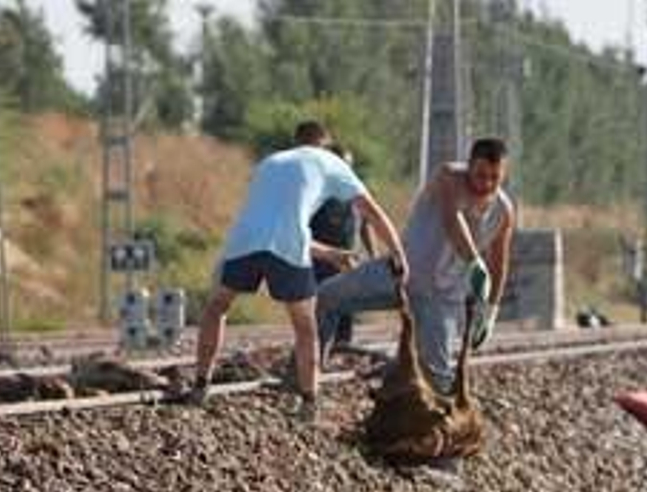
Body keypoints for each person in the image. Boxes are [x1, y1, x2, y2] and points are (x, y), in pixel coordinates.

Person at [185, 120, 407, 420]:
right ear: (325, 144)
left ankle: (200, 385)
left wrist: (330, 254)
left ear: (298, 141)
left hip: (244, 240)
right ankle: (309, 402)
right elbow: (372, 212)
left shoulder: (270, 162)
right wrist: (398, 253)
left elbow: (270, 226)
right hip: (288, 245)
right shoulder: (331, 162)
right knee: (306, 328)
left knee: (216, 308)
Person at [316, 136, 516, 395]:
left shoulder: (504, 211)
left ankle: (425, 418)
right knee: (327, 296)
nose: (486, 183)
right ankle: (306, 375)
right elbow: (452, 220)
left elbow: (500, 263)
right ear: (469, 166)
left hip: (440, 298)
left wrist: (490, 312)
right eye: (480, 174)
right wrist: (474, 261)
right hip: (400, 273)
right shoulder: (449, 177)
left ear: (503, 174)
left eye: (494, 177)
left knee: (437, 378)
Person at [309, 145, 371, 349]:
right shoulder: (316, 189)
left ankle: (342, 344)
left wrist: (373, 255)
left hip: (348, 256)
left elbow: (367, 223)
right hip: (320, 257)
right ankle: (317, 344)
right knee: (319, 302)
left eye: (348, 164)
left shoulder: (356, 189)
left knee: (347, 302)